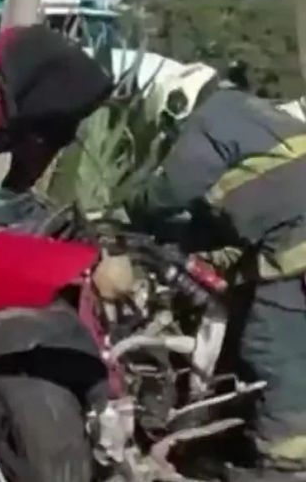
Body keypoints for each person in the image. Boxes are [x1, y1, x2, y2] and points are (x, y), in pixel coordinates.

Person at [126, 67, 306, 481]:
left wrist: (135, 208)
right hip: (291, 241)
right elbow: (234, 209)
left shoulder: (211, 117)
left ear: (178, 105)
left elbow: (172, 190)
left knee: (272, 351)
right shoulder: (257, 113)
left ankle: (284, 466)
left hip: (295, 254)